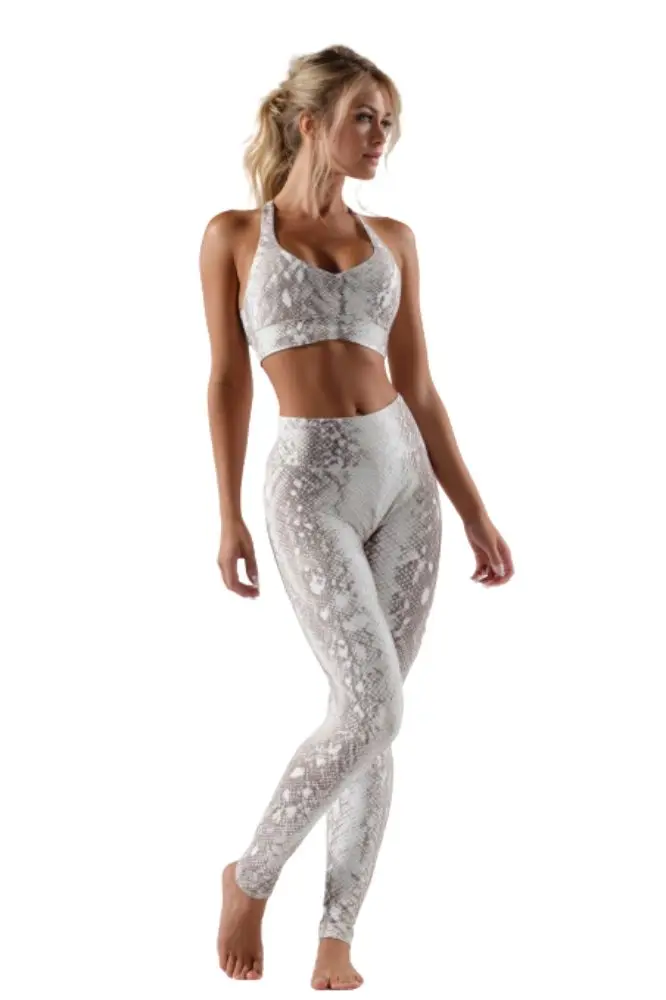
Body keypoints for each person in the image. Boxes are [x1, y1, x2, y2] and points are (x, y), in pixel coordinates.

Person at [199, 44, 514, 990]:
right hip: (307, 488)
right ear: (311, 123)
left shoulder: (397, 240)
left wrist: (474, 510)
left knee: (374, 720)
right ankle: (251, 878)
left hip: (405, 483)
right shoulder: (233, 235)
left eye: (389, 121)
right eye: (364, 118)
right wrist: (227, 513)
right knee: (373, 705)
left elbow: (419, 386)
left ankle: (337, 933)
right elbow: (226, 379)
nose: (381, 136)